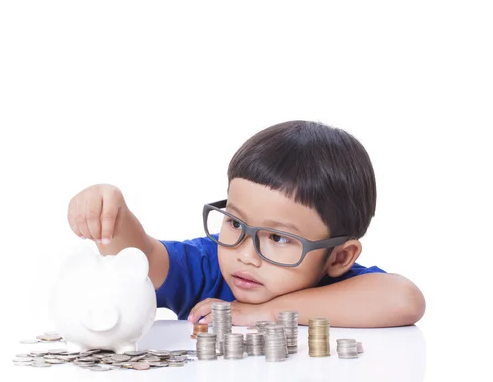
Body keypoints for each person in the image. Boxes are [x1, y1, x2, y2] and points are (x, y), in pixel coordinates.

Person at [67, 120, 425, 327]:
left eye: (278, 238)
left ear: (339, 257)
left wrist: (261, 314)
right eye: (236, 223)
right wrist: (113, 214)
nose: (245, 254)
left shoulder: (344, 286)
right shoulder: (211, 267)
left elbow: (404, 299)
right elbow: (141, 257)